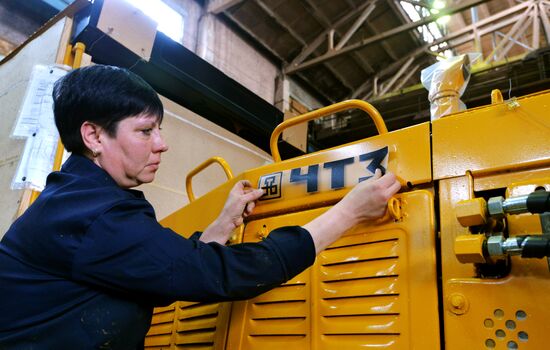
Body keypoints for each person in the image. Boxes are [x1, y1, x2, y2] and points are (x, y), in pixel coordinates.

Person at [0, 65, 400, 349]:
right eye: (145, 131)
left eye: (159, 129)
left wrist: (224, 222)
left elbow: (163, 271)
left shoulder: (80, 201)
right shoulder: (94, 215)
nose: (161, 144)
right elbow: (216, 273)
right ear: (93, 136)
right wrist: (348, 213)